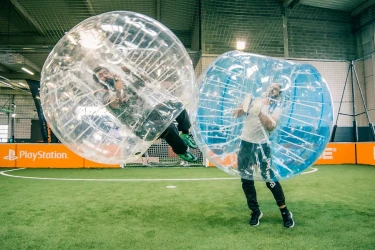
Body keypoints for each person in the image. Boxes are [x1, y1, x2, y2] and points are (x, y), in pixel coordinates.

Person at [93, 66, 198, 162]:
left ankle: (185, 133)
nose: (105, 76)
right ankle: (182, 151)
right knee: (168, 127)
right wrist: (119, 87)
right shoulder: (105, 97)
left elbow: (145, 81)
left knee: (176, 104)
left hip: (151, 113)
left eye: (105, 72)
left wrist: (130, 71)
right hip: (142, 127)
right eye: (100, 76)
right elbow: (119, 101)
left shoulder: (125, 84)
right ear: (99, 82)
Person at [232, 83, 295, 228]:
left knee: (269, 179)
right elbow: (235, 114)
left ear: (279, 94)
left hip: (262, 146)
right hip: (246, 144)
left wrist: (259, 111)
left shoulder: (276, 108)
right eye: (270, 88)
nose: (272, 91)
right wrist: (246, 103)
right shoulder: (255, 100)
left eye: (276, 90)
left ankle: (285, 212)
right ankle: (255, 211)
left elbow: (271, 126)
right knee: (246, 180)